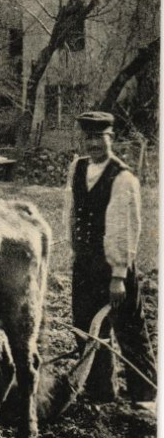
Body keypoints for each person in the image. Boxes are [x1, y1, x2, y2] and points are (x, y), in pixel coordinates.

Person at [63, 110, 157, 404]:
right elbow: (71, 213)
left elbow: (124, 229)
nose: (93, 144)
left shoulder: (122, 177)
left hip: (114, 267)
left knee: (129, 330)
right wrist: (76, 251)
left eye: (99, 138)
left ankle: (146, 395)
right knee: (86, 328)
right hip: (86, 265)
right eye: (88, 138)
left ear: (111, 139)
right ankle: (100, 392)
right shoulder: (77, 168)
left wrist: (118, 276)